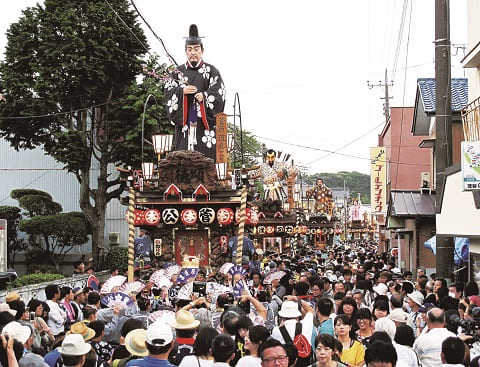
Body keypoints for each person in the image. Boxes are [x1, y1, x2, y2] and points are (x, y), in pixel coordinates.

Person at [164, 24, 225, 161]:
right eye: (189, 49)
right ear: (186, 51)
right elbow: (168, 93)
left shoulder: (211, 71)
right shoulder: (177, 73)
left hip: (204, 125)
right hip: (185, 122)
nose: (193, 52)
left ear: (202, 51)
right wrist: (181, 91)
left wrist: (204, 96)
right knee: (183, 155)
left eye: (196, 49)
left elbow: (219, 93)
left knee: (205, 158)